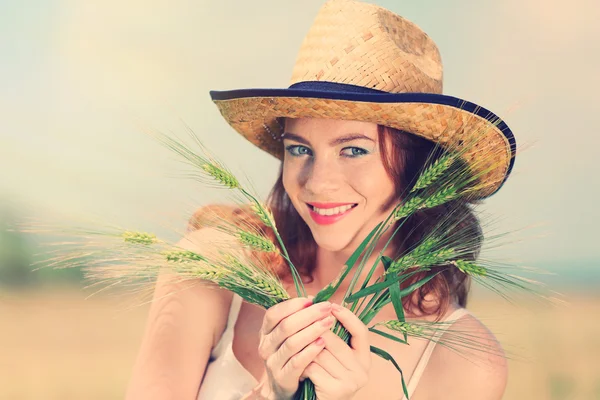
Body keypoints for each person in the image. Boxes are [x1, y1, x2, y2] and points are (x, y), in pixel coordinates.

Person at [126, 0, 516, 399]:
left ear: (417, 166)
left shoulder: (463, 363)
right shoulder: (215, 269)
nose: (317, 182)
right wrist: (274, 394)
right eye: (299, 149)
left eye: (354, 150)